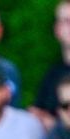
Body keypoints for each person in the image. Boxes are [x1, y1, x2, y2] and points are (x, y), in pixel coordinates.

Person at [31, 1, 70, 131]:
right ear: (57, 29)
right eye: (67, 21)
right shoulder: (52, 74)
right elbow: (36, 112)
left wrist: (55, 125)